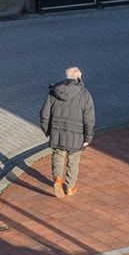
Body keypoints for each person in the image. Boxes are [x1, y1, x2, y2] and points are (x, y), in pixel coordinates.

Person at [40, 65, 95, 198]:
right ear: (78, 78)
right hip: (77, 134)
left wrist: (47, 130)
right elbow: (89, 118)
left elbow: (44, 113)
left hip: (57, 132)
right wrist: (88, 137)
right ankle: (70, 186)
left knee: (58, 155)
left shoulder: (54, 91)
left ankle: (58, 179)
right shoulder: (85, 94)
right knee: (73, 160)